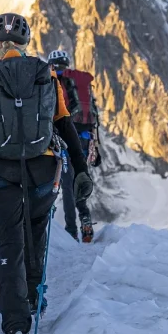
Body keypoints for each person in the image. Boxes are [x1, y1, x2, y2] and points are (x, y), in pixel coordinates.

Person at [0, 13, 94, 334]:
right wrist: (81, 170)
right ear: (24, 45)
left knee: (9, 247)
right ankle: (35, 300)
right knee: (35, 236)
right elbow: (65, 126)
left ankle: (15, 326)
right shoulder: (46, 77)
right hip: (43, 170)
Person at [47, 50, 102, 243]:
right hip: (86, 139)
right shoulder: (81, 83)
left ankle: (71, 231)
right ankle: (85, 220)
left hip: (67, 138)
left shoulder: (56, 81)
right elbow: (94, 116)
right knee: (79, 178)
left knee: (68, 184)